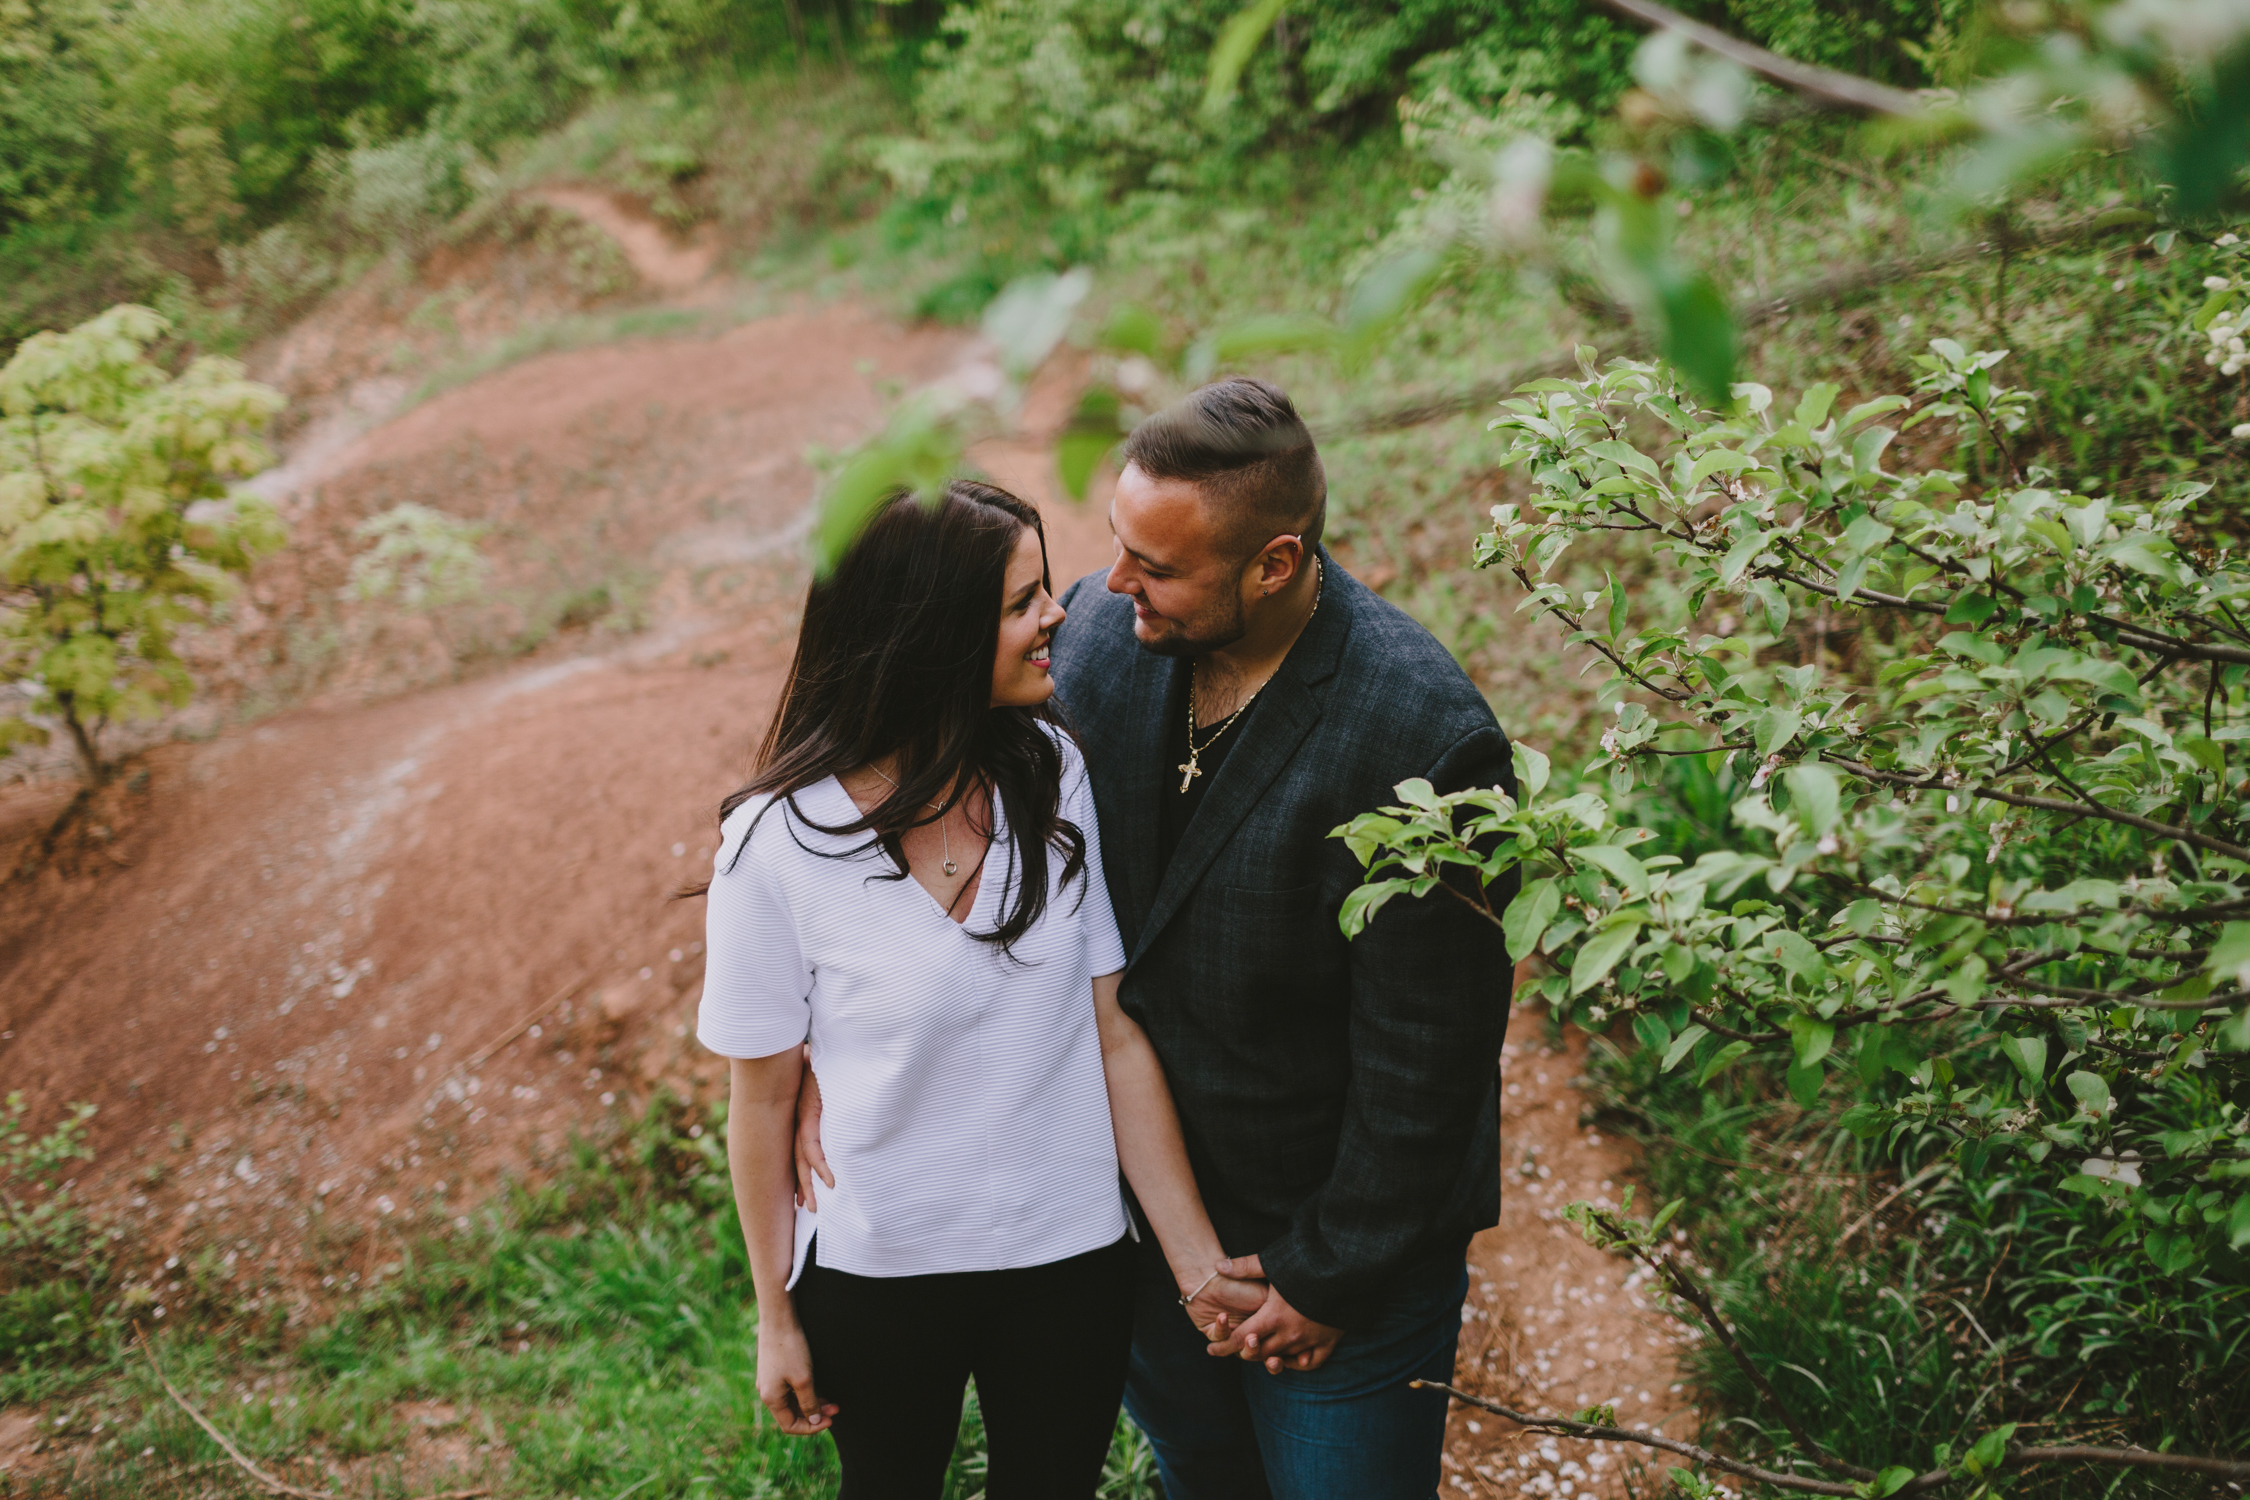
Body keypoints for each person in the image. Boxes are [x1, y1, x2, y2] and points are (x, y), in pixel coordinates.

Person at [799, 380, 1518, 1498]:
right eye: (1118, 547)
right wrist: (812, 1048)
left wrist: (1323, 1279)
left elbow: (1432, 1064)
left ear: (1274, 564)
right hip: (1124, 1228)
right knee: (1204, 1480)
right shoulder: (1096, 640)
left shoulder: (1428, 739)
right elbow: (903, 779)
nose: (1110, 584)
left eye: (1158, 566)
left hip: (1330, 1255)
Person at [694, 480, 1263, 1500]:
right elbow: (765, 1095)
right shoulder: (772, 846)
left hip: (1069, 1262)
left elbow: (1113, 1034)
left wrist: (1195, 1263)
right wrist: (775, 1317)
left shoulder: (1051, 771)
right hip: (876, 1271)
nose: (1058, 617)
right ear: (931, 636)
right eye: (1022, 602)